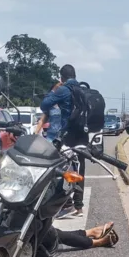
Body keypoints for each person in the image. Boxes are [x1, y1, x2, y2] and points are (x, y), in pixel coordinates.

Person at [40, 65, 87, 217]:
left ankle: (65, 203)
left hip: (67, 137)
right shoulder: (83, 91)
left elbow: (44, 105)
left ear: (61, 78)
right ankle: (78, 207)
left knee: (60, 171)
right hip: (82, 137)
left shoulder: (63, 90)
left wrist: (54, 90)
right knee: (79, 171)